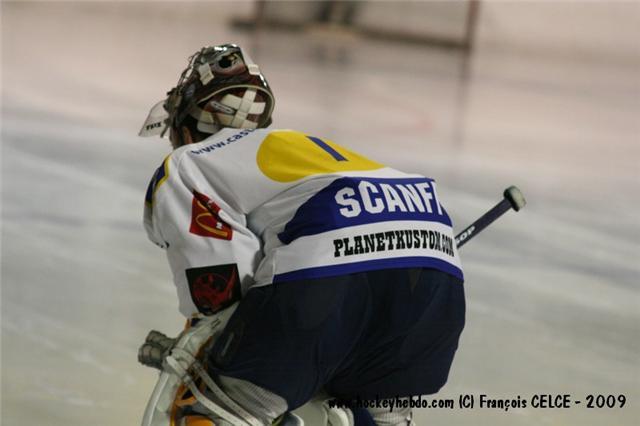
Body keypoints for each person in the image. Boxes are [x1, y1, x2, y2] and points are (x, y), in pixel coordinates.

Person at [139, 44, 465, 426]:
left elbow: (220, 297)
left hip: (328, 277)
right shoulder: (301, 149)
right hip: (437, 279)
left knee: (214, 409)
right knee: (368, 415)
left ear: (184, 128)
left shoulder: (189, 161)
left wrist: (199, 356)